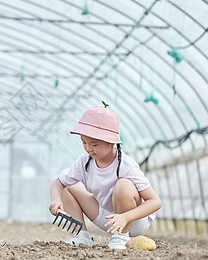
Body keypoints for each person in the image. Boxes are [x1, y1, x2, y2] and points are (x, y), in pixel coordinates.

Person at [49, 105, 161, 249]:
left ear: (111, 142)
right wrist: (55, 200)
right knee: (67, 185)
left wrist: (125, 217)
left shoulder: (126, 165)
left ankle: (121, 237)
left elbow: (155, 202)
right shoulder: (85, 161)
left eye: (94, 144)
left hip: (133, 221)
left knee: (123, 185)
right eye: (84, 142)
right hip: (107, 218)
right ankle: (82, 236)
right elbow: (58, 183)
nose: (89, 148)